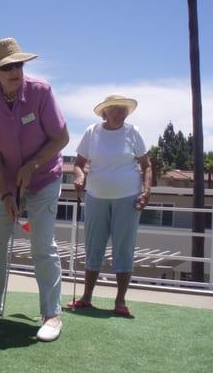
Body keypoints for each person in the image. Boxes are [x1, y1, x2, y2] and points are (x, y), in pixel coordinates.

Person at [0, 38, 69, 341]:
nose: (15, 71)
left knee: (41, 245)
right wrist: (7, 193)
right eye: (7, 67)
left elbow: (61, 139)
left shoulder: (41, 92)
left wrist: (32, 165)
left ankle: (52, 314)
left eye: (18, 65)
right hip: (5, 181)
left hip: (45, 177)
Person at [68, 94, 152, 316]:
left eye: (123, 110)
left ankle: (120, 301)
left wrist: (146, 191)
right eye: (115, 109)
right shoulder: (91, 132)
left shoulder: (134, 132)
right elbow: (78, 163)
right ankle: (86, 297)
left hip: (128, 197)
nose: (120, 113)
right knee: (93, 246)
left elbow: (147, 166)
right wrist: (79, 177)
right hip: (95, 196)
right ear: (104, 113)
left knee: (123, 248)